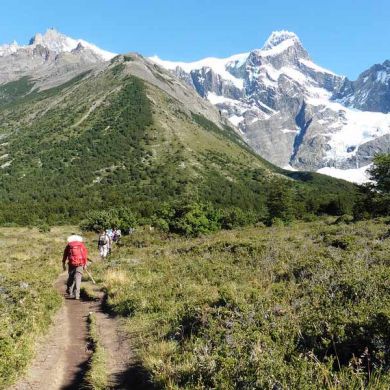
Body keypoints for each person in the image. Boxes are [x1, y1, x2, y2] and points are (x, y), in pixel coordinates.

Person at [62, 234, 88, 300]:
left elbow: (65, 255)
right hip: (80, 264)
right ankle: (77, 295)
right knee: (78, 279)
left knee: (71, 278)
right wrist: (85, 264)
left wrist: (63, 264)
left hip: (71, 264)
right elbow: (85, 255)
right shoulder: (82, 245)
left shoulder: (69, 245)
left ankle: (70, 291)